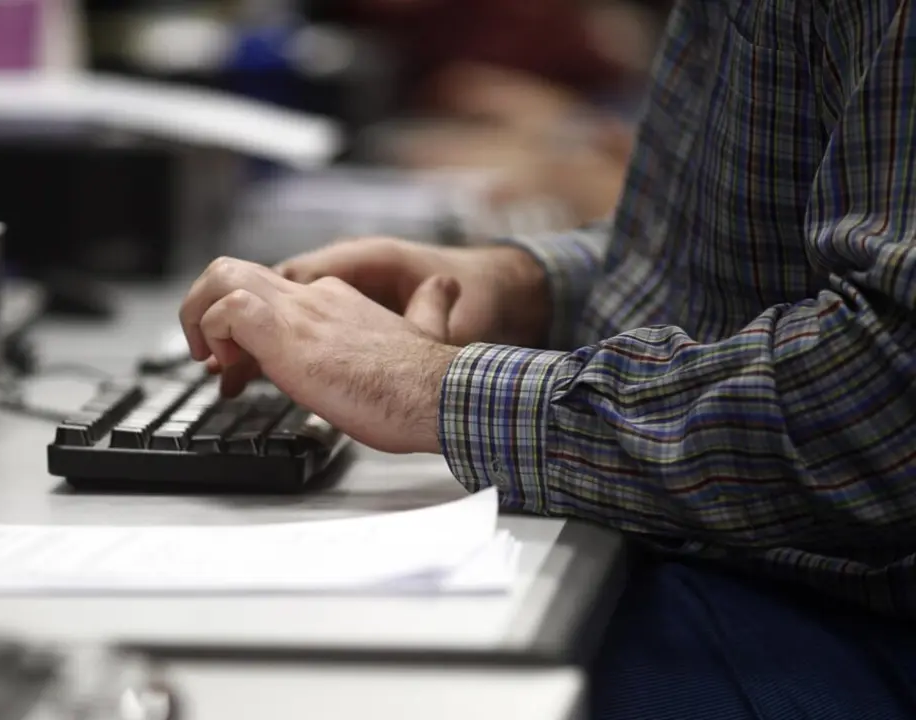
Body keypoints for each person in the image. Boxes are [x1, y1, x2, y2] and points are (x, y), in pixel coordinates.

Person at [179, 0, 916, 717]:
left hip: (856, 629)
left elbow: (886, 401)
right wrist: (522, 285)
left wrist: (427, 384)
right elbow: (742, 270)